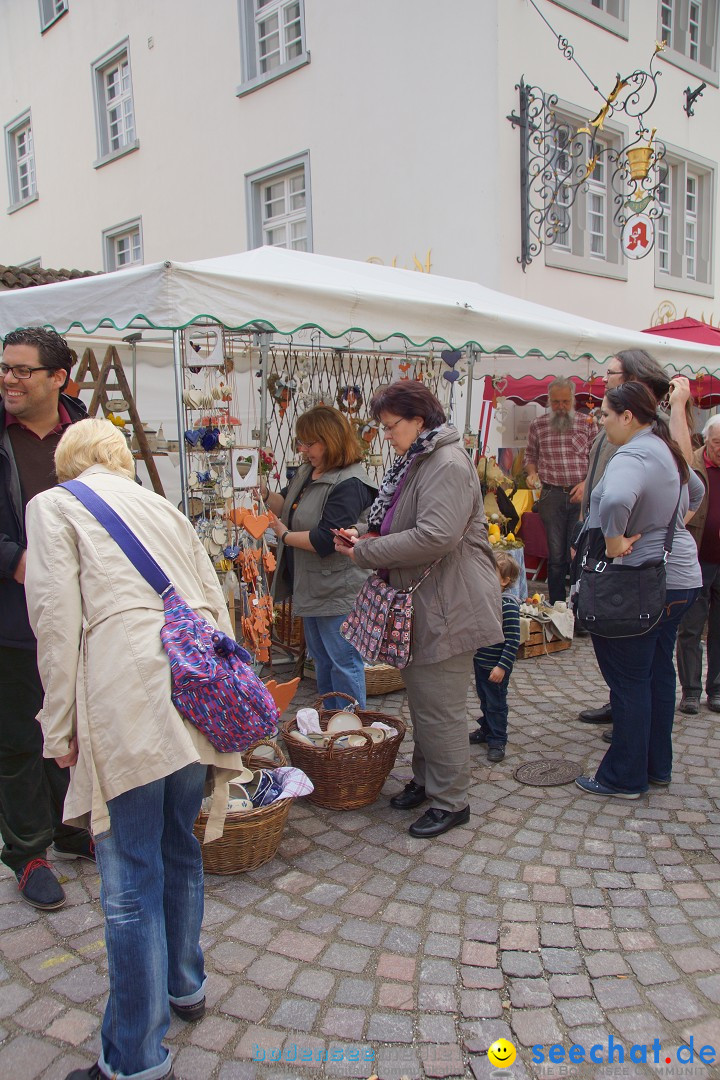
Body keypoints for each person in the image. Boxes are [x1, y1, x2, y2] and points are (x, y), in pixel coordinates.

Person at [23, 418, 257, 1080]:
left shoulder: (54, 506)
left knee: (129, 882)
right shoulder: (163, 506)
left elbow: (55, 621)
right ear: (120, 460)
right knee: (178, 847)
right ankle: (186, 984)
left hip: (127, 694)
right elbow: (215, 603)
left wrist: (59, 724)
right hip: (192, 693)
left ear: (67, 463)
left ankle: (134, 1057)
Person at [333, 381, 503, 838]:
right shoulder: (421, 457)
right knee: (426, 702)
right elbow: (400, 517)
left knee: (439, 708)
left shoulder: (445, 463)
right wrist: (366, 534)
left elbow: (435, 536)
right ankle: (428, 782)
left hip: (448, 604)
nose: (386, 435)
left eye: (391, 427)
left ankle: (452, 801)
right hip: (427, 602)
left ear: (419, 421)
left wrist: (367, 552)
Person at [0, 326, 94, 912]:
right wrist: (14, 559)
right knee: (16, 739)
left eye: (21, 370)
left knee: (68, 729)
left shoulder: (85, 434)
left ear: (58, 378)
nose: (8, 378)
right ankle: (26, 849)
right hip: (10, 616)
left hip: (78, 616)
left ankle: (68, 826)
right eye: (4, 368)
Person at [575, 382, 702, 798]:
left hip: (636, 580)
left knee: (629, 681)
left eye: (606, 414)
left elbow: (613, 501)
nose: (601, 420)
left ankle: (623, 777)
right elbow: (696, 490)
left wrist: (613, 541)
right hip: (672, 577)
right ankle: (653, 766)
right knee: (651, 677)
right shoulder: (663, 447)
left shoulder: (633, 453)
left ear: (628, 415)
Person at [264, 405, 376, 709]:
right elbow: (286, 504)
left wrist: (285, 536)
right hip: (313, 586)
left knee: (343, 661)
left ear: (330, 440)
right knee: (322, 662)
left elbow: (328, 538)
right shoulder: (309, 471)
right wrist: (261, 492)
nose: (303, 449)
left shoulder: (351, 483)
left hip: (338, 588)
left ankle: (353, 732)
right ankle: (331, 724)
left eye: (309, 443)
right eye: (301, 442)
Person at [524, 377, 598, 604]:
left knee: (578, 554)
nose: (561, 407)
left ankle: (579, 607)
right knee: (556, 558)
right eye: (556, 402)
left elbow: (598, 460)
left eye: (565, 402)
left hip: (581, 496)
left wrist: (587, 485)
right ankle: (557, 607)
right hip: (551, 496)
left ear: (573, 400)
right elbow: (530, 456)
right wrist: (531, 473)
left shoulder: (588, 423)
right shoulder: (538, 425)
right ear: (549, 401)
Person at [676, 415, 720, 715]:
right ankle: (691, 691)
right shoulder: (693, 465)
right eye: (718, 443)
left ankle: (716, 689)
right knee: (690, 628)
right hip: (698, 557)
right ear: (706, 439)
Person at [470, 551, 521, 763]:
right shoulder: (486, 600)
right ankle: (486, 728)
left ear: (504, 580)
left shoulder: (507, 605)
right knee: (484, 699)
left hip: (496, 666)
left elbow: (512, 641)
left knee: (496, 703)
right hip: (481, 662)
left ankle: (498, 739)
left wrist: (502, 667)